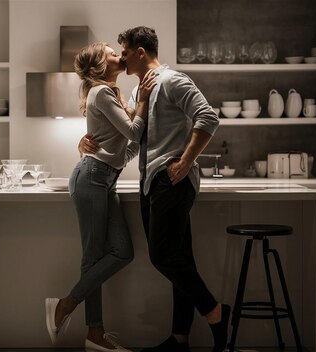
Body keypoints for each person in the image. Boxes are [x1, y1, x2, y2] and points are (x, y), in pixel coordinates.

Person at [79, 26, 230, 352]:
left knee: (163, 255)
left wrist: (186, 161)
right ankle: (180, 339)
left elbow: (208, 118)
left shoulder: (173, 80)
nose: (121, 58)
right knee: (179, 258)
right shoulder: (137, 95)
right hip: (152, 182)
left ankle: (216, 312)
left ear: (140, 52)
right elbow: (134, 145)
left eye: (123, 52)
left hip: (173, 179)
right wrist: (94, 149)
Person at [45, 42, 156, 352]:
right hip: (91, 178)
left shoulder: (113, 95)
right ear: (100, 64)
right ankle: (83, 324)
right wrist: (144, 100)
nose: (117, 54)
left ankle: (74, 312)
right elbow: (135, 132)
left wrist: (137, 120)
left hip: (105, 179)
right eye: (110, 51)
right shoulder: (102, 93)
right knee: (93, 256)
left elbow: (127, 148)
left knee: (122, 252)